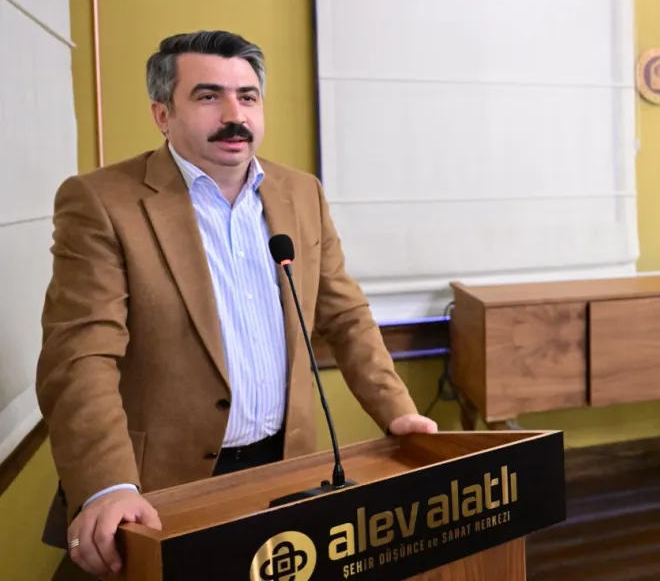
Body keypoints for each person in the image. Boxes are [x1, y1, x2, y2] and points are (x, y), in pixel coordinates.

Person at [36, 30, 439, 580]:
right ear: (162, 114)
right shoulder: (103, 202)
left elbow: (344, 315)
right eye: (208, 96)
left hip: (287, 468)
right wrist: (109, 485)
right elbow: (80, 355)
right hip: (159, 489)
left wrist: (397, 411)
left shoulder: (301, 193)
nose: (234, 115)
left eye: (247, 97)